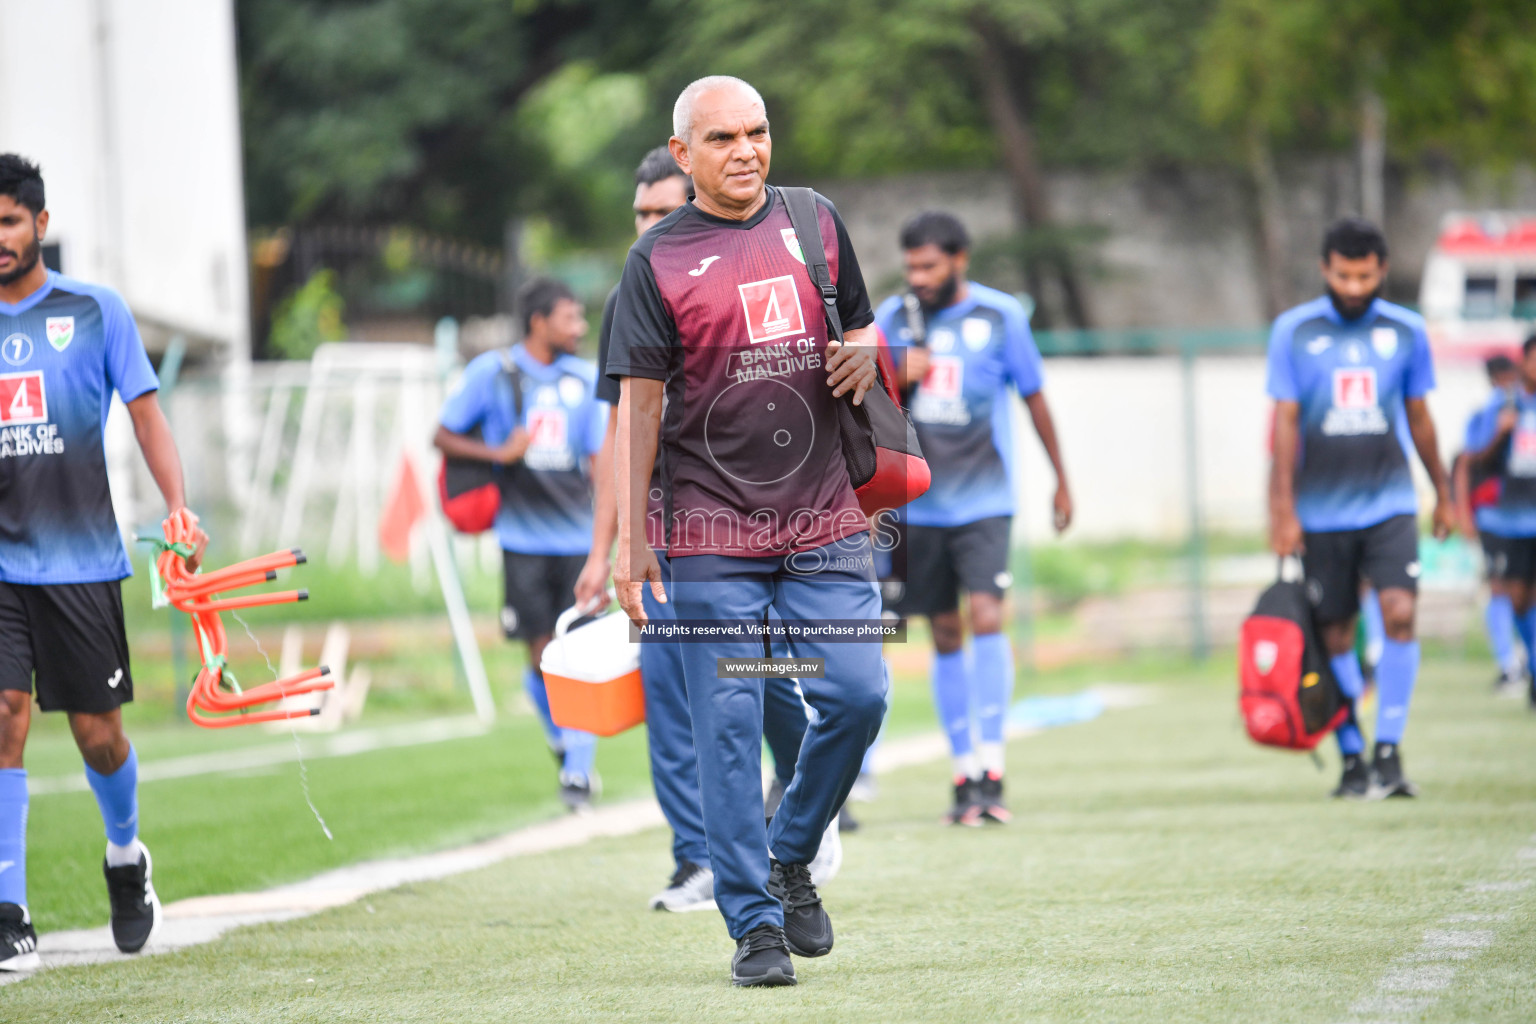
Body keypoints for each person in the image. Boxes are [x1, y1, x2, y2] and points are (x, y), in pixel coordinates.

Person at [608, 75, 887, 987]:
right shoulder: (654, 262)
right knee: (725, 725)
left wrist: (864, 354)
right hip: (707, 529)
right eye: (722, 138)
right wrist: (629, 542)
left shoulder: (814, 220)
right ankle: (755, 927)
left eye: (758, 131)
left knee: (856, 697)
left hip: (823, 516)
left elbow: (870, 334)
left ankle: (789, 853)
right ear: (684, 155)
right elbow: (638, 409)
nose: (746, 151)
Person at [575, 146, 826, 912]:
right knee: (678, 689)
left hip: (757, 525)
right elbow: (618, 431)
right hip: (668, 529)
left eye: (661, 212)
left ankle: (802, 809)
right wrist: (608, 548)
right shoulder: (633, 288)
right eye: (640, 215)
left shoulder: (757, 270)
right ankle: (697, 859)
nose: (649, 228)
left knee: (765, 683)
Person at [0, 154, 207, 969]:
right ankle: (9, 910)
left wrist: (177, 504)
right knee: (4, 714)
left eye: (9, 221)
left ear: (40, 225)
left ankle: (126, 856)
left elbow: (147, 417)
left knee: (99, 738)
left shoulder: (96, 311)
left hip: (81, 558)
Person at [873, 211, 1072, 826]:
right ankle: (962, 773)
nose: (919, 277)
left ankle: (993, 765)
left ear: (961, 260)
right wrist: (890, 377)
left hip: (985, 502)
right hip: (917, 505)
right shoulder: (892, 318)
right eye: (911, 267)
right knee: (945, 630)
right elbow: (853, 397)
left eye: (930, 265)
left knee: (987, 614)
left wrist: (1062, 479)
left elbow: (1034, 396)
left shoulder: (1000, 316)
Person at [1267, 217, 1453, 800]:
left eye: (1364, 276)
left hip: (1390, 502)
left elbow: (1420, 417)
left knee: (1399, 614)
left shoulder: (1407, 331)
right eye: (1343, 275)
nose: (1353, 287)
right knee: (1336, 634)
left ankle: (1389, 752)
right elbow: (1285, 423)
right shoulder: (1292, 332)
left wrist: (1444, 491)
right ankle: (1352, 755)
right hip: (1321, 512)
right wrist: (1281, 508)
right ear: (1325, 269)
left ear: (1382, 273)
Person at [434, 278, 607, 811]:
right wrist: (499, 454)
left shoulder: (586, 378)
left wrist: (612, 532)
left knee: (580, 652)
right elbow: (441, 435)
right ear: (539, 322)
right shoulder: (494, 372)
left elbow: (601, 459)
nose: (579, 328)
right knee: (540, 658)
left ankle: (579, 771)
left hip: (579, 537)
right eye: (570, 318)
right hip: (522, 538)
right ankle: (565, 742)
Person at [1463, 338, 1536, 706]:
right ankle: (1517, 664)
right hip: (1508, 518)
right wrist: (1501, 433)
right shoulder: (1503, 407)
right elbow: (1470, 459)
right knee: (1515, 596)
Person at [1455, 353, 1524, 693]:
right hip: (1496, 514)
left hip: (1527, 516)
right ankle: (1508, 665)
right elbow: (1470, 459)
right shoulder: (1489, 412)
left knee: (1523, 590)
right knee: (1499, 585)